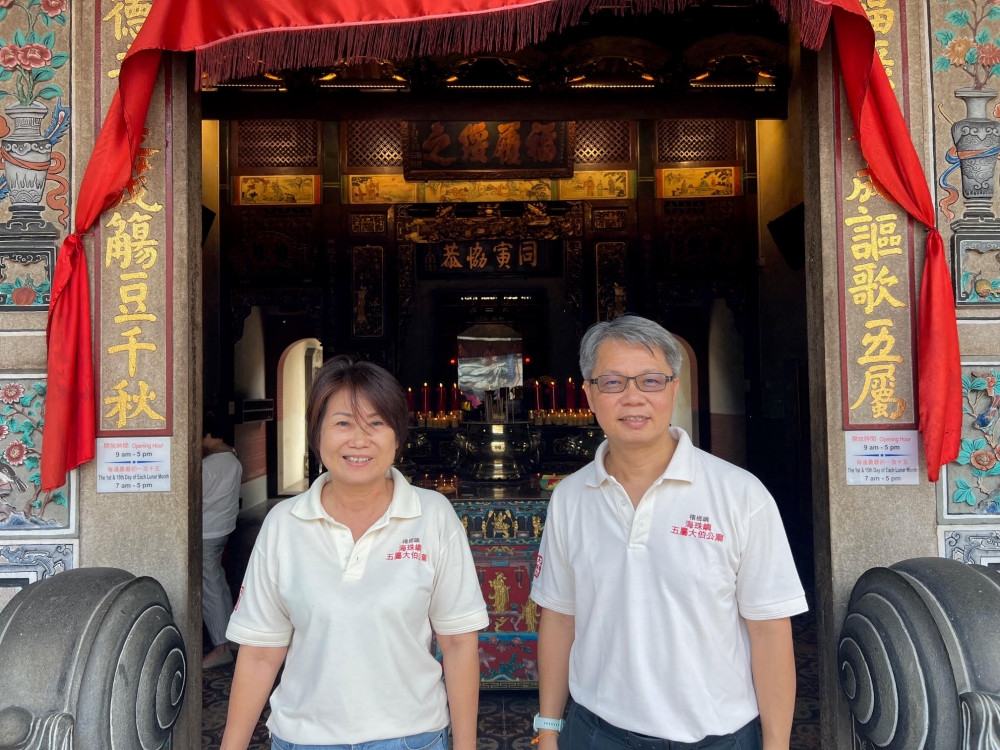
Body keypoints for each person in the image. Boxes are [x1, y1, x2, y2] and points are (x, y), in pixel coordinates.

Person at [530, 315, 807, 750]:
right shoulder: (570, 497)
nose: (633, 397)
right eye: (613, 383)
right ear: (589, 394)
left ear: (674, 388)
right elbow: (561, 618)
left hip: (717, 738)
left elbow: (769, 631)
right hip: (597, 734)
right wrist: (548, 728)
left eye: (651, 381)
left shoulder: (740, 495)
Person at [222, 355, 487, 750]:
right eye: (343, 423)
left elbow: (458, 643)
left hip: (412, 738)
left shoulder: (432, 516)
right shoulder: (284, 523)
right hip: (302, 740)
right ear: (316, 435)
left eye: (376, 423)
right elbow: (261, 652)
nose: (359, 440)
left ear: (398, 436)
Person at [202, 410, 243, 669]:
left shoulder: (208, 467)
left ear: (208, 434)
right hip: (222, 529)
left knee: (210, 586)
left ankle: (220, 647)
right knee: (217, 580)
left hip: (205, 531)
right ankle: (232, 636)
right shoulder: (232, 458)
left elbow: (194, 500)